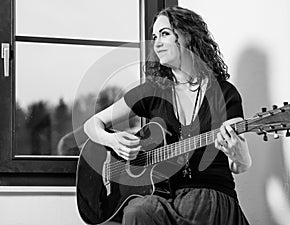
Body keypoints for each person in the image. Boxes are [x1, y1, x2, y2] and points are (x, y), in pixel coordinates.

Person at [84, 6, 252, 225]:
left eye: (165, 34)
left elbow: (239, 165)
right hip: (164, 198)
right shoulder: (152, 91)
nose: (157, 43)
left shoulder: (223, 93)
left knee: (173, 209)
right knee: (136, 210)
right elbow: (92, 124)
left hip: (210, 196)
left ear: (188, 36)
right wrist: (112, 140)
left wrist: (241, 156)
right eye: (155, 36)